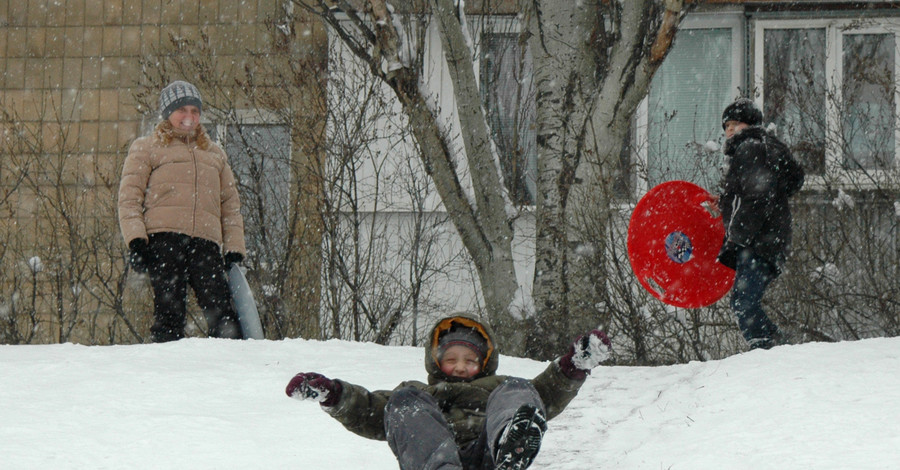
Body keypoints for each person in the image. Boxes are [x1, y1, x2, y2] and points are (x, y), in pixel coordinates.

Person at [285, 315, 612, 470]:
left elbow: (545, 395)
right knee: (401, 403)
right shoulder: (420, 393)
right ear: (435, 360)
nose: (459, 366)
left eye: (469, 360)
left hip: (489, 455)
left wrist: (574, 365)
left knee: (520, 389)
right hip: (434, 457)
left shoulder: (495, 386)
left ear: (484, 362)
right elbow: (371, 410)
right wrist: (333, 394)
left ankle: (511, 444)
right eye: (451, 358)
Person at [118, 80, 247, 342]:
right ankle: (166, 373)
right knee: (169, 314)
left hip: (206, 244)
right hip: (164, 241)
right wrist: (136, 242)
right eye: (182, 110)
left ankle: (229, 373)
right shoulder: (146, 148)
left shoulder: (215, 155)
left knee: (223, 316)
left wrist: (234, 248)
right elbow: (129, 198)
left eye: (195, 111)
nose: (189, 117)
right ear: (168, 113)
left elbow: (230, 207)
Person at [716, 98, 805, 350]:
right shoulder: (760, 147)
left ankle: (772, 350)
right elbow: (754, 193)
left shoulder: (749, 148)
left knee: (743, 303)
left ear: (751, 124)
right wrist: (725, 201)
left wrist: (737, 236)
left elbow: (757, 197)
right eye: (726, 126)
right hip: (768, 239)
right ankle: (773, 348)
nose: (730, 130)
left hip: (758, 241)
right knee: (743, 301)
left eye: (736, 123)